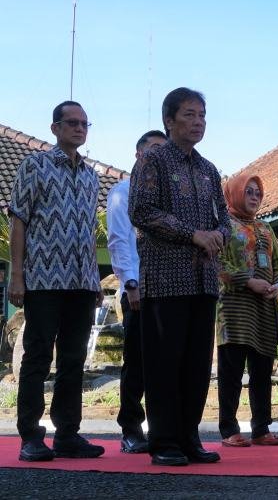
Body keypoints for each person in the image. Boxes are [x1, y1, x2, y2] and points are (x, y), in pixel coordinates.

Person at [129, 87, 230, 466]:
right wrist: (192, 234)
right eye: (189, 114)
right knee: (164, 363)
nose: (198, 121)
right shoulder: (152, 162)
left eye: (202, 114)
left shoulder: (209, 170)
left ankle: (189, 438)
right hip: (165, 279)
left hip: (204, 281)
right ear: (169, 120)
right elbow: (142, 211)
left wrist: (219, 234)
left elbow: (225, 219)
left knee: (196, 365)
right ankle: (164, 441)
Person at [9, 100, 105, 461]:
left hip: (81, 282)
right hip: (43, 279)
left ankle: (67, 434)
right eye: (72, 123)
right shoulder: (35, 165)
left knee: (73, 358)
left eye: (84, 123)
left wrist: (95, 280)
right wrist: (17, 276)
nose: (79, 128)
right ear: (55, 128)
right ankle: (31, 437)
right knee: (37, 357)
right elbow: (18, 219)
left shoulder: (92, 175)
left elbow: (87, 233)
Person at [217, 173, 278, 448]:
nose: (255, 197)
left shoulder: (266, 229)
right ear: (235, 194)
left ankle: (261, 429)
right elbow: (217, 264)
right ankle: (229, 429)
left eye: (258, 192)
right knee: (231, 372)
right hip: (235, 309)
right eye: (249, 192)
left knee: (262, 371)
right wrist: (248, 281)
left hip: (264, 308)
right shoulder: (224, 226)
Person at [107, 129, 167, 454]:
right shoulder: (122, 192)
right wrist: (131, 284)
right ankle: (130, 428)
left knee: (162, 363)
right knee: (137, 362)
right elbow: (118, 241)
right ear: (138, 154)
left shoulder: (165, 194)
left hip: (167, 288)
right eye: (152, 150)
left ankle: (161, 429)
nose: (158, 156)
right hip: (138, 291)